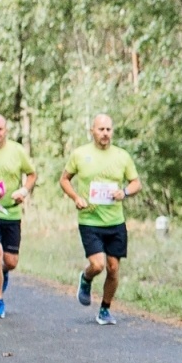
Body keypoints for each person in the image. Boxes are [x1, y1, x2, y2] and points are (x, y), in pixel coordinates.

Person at [58, 114, 140, 326]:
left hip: (115, 221)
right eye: (101, 129)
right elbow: (64, 179)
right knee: (98, 265)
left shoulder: (122, 156)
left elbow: (135, 183)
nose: (105, 133)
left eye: (108, 130)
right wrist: (76, 197)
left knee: (113, 268)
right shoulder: (80, 154)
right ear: (92, 131)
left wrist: (125, 192)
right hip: (90, 220)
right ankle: (86, 278)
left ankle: (105, 309)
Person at [0, 113, 37, 318]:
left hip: (12, 213)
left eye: (0, 129)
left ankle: (1, 272)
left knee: (11, 261)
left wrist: (23, 191)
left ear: (6, 130)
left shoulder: (17, 150)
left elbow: (31, 174)